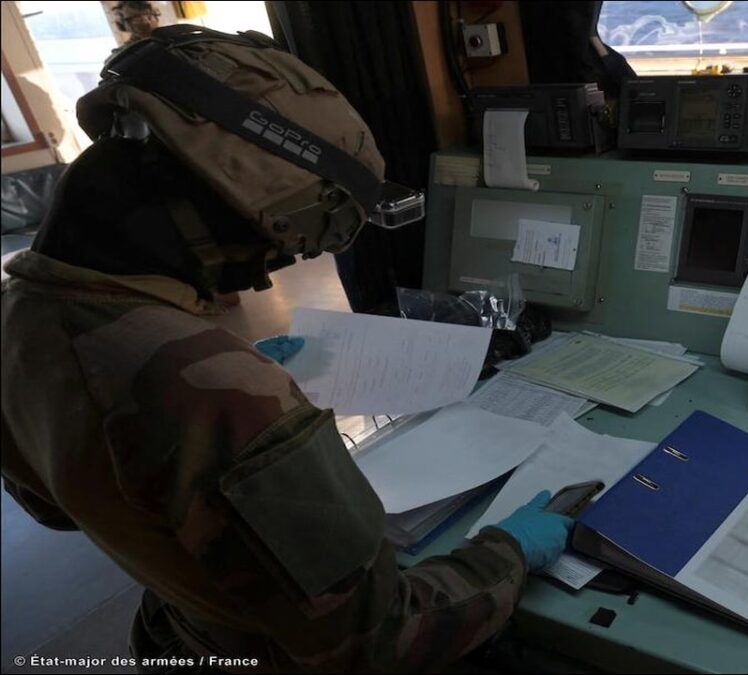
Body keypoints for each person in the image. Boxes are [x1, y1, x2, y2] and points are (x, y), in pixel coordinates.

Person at [0, 25, 572, 673]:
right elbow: (380, 640)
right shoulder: (212, 390)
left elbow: (52, 505)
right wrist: (507, 553)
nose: (268, 272)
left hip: (184, 635)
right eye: (273, 248)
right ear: (234, 214)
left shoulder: (19, 309)